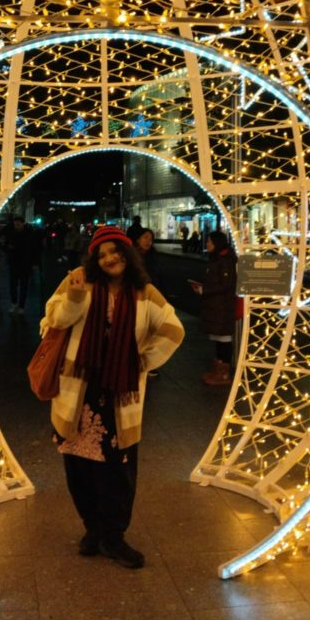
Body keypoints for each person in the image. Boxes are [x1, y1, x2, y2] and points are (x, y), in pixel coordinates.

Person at [42, 225, 184, 568]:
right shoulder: (79, 281)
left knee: (118, 471)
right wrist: (75, 298)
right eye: (101, 254)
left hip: (119, 394)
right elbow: (52, 321)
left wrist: (142, 361)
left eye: (114, 251)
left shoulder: (144, 292)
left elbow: (173, 328)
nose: (109, 259)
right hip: (79, 392)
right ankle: (93, 529)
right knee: (79, 468)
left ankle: (114, 535)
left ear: (127, 252)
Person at [189, 229, 236, 386]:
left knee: (224, 340)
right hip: (216, 307)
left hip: (222, 307)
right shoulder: (217, 259)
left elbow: (226, 285)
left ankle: (223, 374)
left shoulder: (225, 260)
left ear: (217, 243)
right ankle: (218, 370)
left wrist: (204, 290)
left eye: (209, 241)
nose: (207, 243)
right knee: (218, 338)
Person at [133, 227, 166, 377]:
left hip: (152, 297)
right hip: (135, 297)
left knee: (151, 331)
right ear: (138, 239)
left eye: (150, 239)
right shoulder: (131, 256)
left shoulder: (153, 256)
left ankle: (150, 364)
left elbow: (158, 277)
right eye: (145, 237)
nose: (148, 241)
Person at [1, 215, 38, 315]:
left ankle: (21, 305)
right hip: (14, 262)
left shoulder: (29, 234)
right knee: (13, 284)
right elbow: (4, 245)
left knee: (23, 285)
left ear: (22, 224)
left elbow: (34, 248)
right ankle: (14, 303)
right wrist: (7, 248)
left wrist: (34, 262)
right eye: (15, 224)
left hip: (24, 263)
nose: (16, 226)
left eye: (18, 224)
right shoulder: (11, 233)